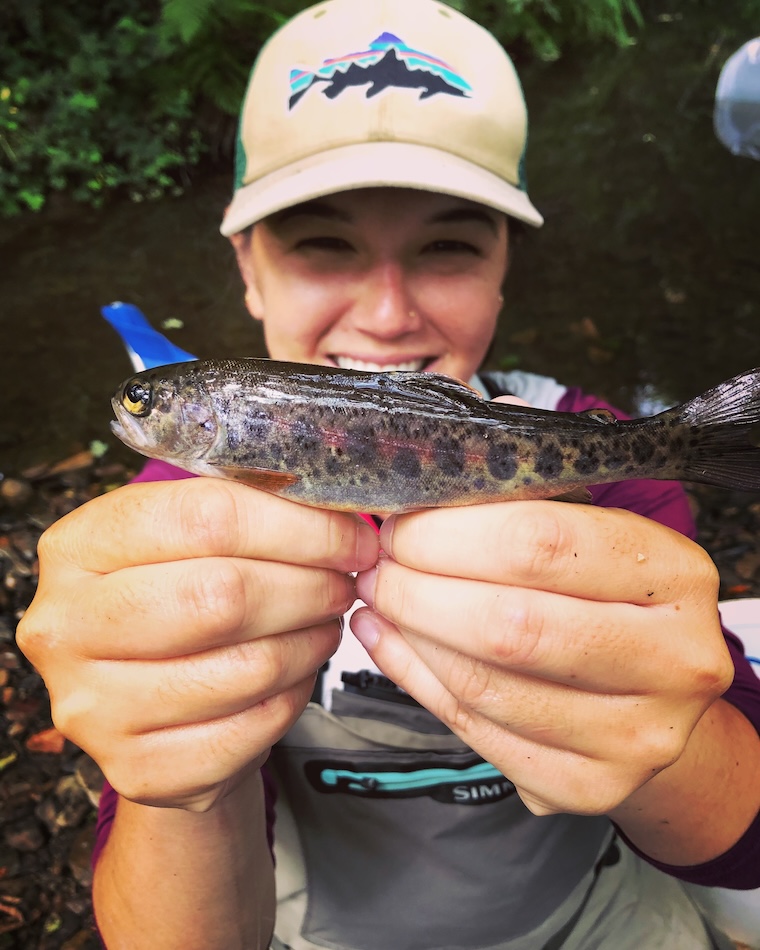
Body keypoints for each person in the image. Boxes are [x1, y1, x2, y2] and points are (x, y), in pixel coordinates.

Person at [16, 1, 760, 948]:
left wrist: (677, 741)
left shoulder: (614, 485)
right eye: (323, 244)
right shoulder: (175, 528)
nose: (385, 315)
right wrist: (173, 783)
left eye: (447, 245)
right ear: (244, 267)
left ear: (505, 268)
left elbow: (746, 846)